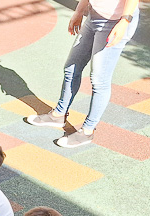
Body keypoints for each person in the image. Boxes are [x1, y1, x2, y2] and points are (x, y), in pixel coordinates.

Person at [25, 0, 140, 148]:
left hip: (115, 23)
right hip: (94, 16)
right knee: (71, 67)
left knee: (99, 80)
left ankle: (87, 131)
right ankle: (58, 115)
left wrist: (124, 21)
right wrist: (79, 11)